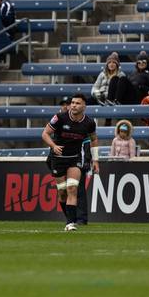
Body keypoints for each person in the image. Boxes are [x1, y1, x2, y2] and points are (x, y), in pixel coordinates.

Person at [41, 93, 99, 232]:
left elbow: (94, 139)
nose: (73, 105)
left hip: (75, 159)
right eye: (72, 103)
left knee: (72, 188)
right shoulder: (60, 117)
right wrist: (53, 146)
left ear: (84, 106)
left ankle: (70, 223)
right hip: (58, 159)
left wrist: (96, 159)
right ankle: (70, 218)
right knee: (62, 192)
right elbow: (45, 134)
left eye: (77, 103)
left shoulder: (89, 122)